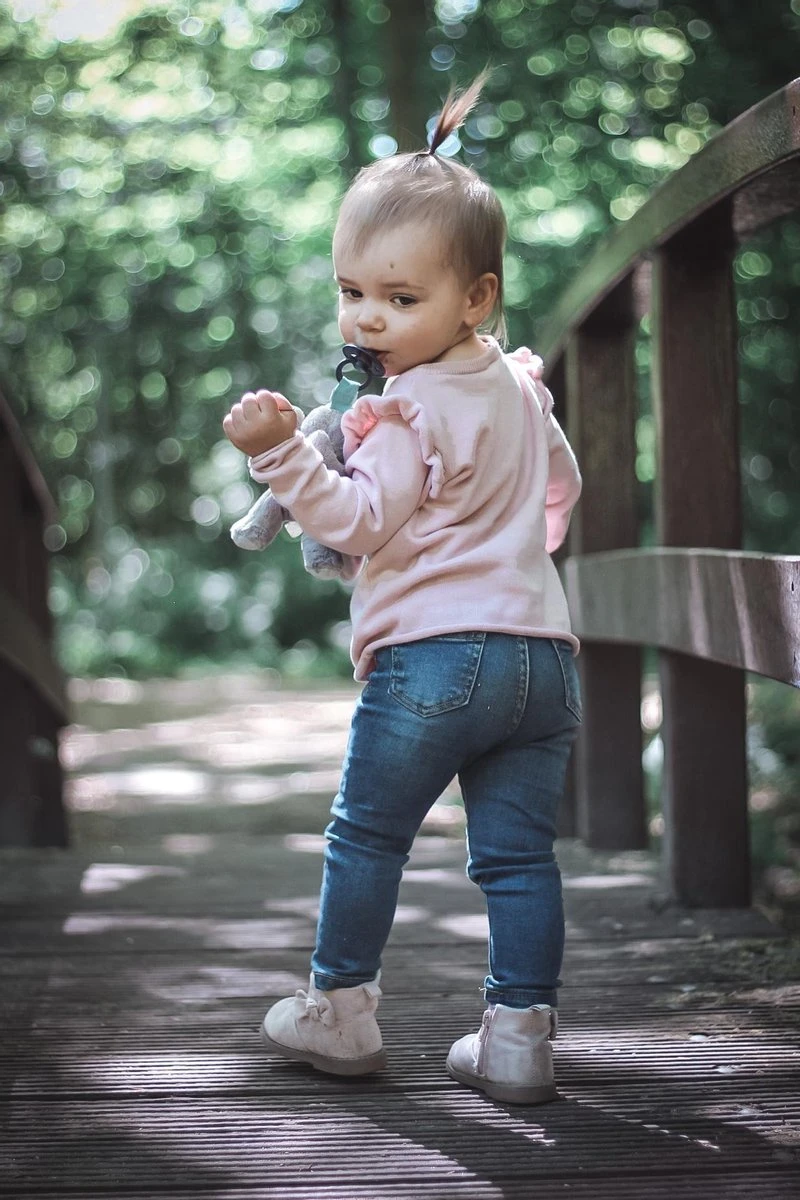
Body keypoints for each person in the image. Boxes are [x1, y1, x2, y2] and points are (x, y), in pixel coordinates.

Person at [222, 75, 582, 1106]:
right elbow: (561, 488)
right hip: (541, 659)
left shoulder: (402, 412)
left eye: (400, 298)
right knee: (516, 859)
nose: (368, 320)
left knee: (366, 835)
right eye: (351, 294)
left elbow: (354, 523)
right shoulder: (518, 384)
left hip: (433, 656)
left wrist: (282, 452)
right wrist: (521, 552)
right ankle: (517, 1036)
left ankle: (338, 1013)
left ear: (476, 296)